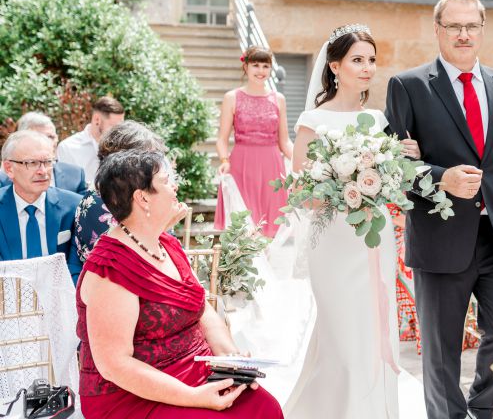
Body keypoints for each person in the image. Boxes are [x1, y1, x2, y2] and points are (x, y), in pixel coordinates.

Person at [386, 0, 493, 419]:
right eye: (454, 26)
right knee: (441, 350)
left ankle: (483, 408)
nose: (463, 34)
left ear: (482, 29)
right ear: (438, 30)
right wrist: (442, 178)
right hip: (440, 239)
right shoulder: (408, 86)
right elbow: (392, 166)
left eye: (471, 26)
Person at [76, 150, 282, 418]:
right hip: (133, 394)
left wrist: (231, 359)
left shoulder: (167, 245)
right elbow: (115, 364)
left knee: (264, 406)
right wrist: (194, 397)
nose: (175, 186)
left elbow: (201, 309)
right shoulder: (110, 268)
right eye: (166, 181)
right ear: (142, 198)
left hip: (195, 370)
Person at [282, 24, 418, 419]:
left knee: (373, 331)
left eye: (371, 60)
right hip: (333, 243)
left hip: (373, 239)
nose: (367, 68)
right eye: (358, 60)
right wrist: (343, 190)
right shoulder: (312, 120)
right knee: (341, 336)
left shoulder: (377, 121)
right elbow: (299, 193)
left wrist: (402, 161)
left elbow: (395, 182)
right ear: (335, 66)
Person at [73, 121, 184, 266]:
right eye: (147, 158)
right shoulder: (98, 201)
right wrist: (167, 223)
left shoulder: (136, 195)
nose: (154, 164)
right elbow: (125, 259)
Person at [214, 47, 291, 237]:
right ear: (246, 67)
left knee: (270, 227)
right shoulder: (232, 97)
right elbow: (222, 139)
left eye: (265, 66)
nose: (261, 70)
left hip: (272, 167)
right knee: (244, 225)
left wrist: (304, 162)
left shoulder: (279, 99)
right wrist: (224, 160)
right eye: (255, 65)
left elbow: (285, 141)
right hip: (242, 166)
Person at [0, 131, 81, 280]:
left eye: (48, 162)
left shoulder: (75, 206)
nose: (43, 171)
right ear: (9, 168)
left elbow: (78, 267)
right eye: (32, 163)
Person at [0, 112, 87, 195]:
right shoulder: (4, 180)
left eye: (51, 137)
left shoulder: (75, 175)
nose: (47, 143)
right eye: (39, 138)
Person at [57, 96, 125, 183]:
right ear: (97, 120)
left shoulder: (121, 147)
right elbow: (66, 185)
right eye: (114, 126)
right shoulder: (68, 148)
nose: (118, 131)